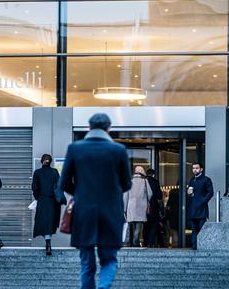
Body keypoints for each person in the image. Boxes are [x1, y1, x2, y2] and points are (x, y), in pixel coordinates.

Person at [60, 113, 131, 289]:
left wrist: (80, 194)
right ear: (109, 129)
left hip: (84, 212)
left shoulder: (75, 148)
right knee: (109, 259)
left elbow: (64, 183)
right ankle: (103, 287)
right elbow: (126, 184)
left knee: (86, 262)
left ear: (89, 128)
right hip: (111, 212)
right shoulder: (118, 150)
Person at [32, 154, 63, 256]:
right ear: (50, 161)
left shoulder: (37, 173)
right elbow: (59, 186)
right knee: (50, 223)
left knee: (43, 222)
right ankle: (48, 243)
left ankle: (48, 243)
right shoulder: (54, 172)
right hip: (53, 201)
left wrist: (38, 198)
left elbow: (34, 188)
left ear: (42, 161)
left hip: (42, 200)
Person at [186, 162, 213, 250]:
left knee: (201, 228)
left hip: (201, 208)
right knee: (194, 229)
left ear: (201, 169)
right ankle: (194, 246)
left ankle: (202, 246)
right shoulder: (191, 180)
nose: (195, 170)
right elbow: (190, 193)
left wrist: (203, 201)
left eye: (197, 168)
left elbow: (210, 192)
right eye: (193, 168)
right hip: (193, 208)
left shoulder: (206, 179)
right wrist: (189, 194)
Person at [123, 166, 152, 247]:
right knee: (139, 224)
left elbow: (125, 196)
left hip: (130, 206)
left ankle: (130, 242)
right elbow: (150, 194)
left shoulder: (129, 181)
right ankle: (136, 241)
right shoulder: (145, 181)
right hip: (141, 206)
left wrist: (124, 208)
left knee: (131, 224)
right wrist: (145, 200)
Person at [143, 168, 165, 247]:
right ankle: (150, 243)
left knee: (145, 226)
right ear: (153, 175)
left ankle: (145, 242)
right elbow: (159, 196)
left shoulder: (143, 182)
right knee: (154, 225)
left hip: (144, 207)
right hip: (153, 207)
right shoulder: (155, 182)